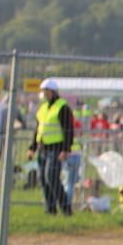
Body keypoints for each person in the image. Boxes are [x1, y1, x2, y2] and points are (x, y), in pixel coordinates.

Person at [26, 80, 74, 215]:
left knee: (51, 177)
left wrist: (66, 149)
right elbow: (38, 129)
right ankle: (50, 208)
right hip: (43, 148)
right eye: (43, 91)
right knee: (43, 179)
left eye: (46, 91)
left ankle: (66, 208)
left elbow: (68, 130)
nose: (44, 94)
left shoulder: (62, 107)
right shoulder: (43, 108)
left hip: (56, 148)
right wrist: (32, 147)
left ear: (53, 92)